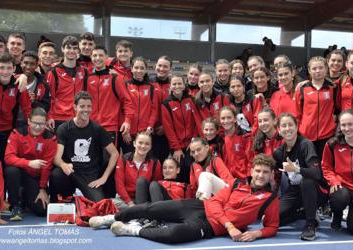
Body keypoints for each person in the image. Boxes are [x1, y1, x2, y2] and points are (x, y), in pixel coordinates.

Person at [89, 154, 280, 244]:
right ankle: (112, 218)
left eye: (265, 172)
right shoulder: (238, 183)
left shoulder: (270, 199)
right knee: (153, 208)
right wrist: (229, 225)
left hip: (210, 227)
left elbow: (272, 227)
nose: (261, 175)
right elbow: (213, 202)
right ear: (252, 171)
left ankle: (132, 230)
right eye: (258, 171)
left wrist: (257, 234)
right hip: (198, 207)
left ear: (271, 174)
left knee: (174, 235)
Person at [50, 91, 119, 202]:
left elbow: (115, 153)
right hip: (71, 172)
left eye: (89, 106)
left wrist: (104, 178)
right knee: (56, 174)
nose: (86, 110)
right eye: (82, 106)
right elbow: (56, 157)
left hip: (89, 174)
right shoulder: (64, 128)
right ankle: (66, 196)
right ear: (75, 107)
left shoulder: (97, 129)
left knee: (99, 205)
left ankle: (99, 196)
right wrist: (63, 165)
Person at [273, 113, 325, 241]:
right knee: (271, 220)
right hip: (295, 191)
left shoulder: (306, 145)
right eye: (283, 126)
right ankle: (301, 213)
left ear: (297, 127)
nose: (287, 128)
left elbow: (317, 173)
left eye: (290, 125)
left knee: (306, 181)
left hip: (316, 191)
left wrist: (297, 169)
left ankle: (310, 224)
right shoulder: (279, 152)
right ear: (279, 130)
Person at [4, 108, 57, 221]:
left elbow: (47, 166)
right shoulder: (17, 133)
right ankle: (15, 205)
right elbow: (8, 158)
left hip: (35, 177)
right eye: (35, 123)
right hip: (19, 173)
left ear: (46, 123)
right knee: (11, 170)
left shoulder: (50, 138)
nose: (38, 127)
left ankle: (25, 196)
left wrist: (42, 189)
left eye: (41, 124)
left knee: (42, 210)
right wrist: (29, 163)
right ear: (29, 121)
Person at [296, 56, 337, 159]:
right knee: (308, 167)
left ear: (326, 69)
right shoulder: (302, 89)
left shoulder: (333, 88)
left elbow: (337, 109)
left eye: (321, 68)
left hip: (327, 135)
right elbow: (297, 113)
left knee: (324, 167)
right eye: (314, 68)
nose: (317, 71)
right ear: (309, 70)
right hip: (306, 135)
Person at [46, 36, 87, 130]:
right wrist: (50, 116)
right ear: (62, 49)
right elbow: (49, 98)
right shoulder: (54, 72)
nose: (72, 51)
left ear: (78, 51)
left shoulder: (84, 71)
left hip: (78, 118)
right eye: (68, 48)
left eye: (75, 48)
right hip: (58, 119)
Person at [161, 75, 197, 181]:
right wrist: (176, 148)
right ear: (170, 86)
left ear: (184, 85)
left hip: (192, 144)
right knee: (180, 169)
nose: (177, 86)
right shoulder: (166, 104)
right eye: (174, 84)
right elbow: (168, 128)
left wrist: (194, 141)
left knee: (192, 168)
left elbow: (196, 122)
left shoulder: (191, 100)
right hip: (177, 146)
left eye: (179, 83)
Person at [122, 57, 159, 154]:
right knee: (129, 161)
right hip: (129, 134)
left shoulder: (151, 87)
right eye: (136, 67)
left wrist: (149, 127)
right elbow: (122, 109)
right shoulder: (125, 85)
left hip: (145, 133)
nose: (139, 71)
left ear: (146, 69)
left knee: (145, 162)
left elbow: (154, 110)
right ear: (131, 68)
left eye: (142, 68)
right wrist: (125, 131)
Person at [114, 132, 162, 207]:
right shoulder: (123, 159)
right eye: (140, 142)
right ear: (134, 144)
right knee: (110, 203)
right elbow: (119, 185)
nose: (143, 146)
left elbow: (155, 186)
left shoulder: (155, 162)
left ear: (150, 147)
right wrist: (129, 202)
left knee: (142, 181)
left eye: (147, 144)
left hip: (145, 200)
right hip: (126, 200)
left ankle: (142, 212)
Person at [14, 51, 51, 129]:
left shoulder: (43, 84)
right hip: (12, 123)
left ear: (37, 65)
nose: (28, 66)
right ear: (21, 63)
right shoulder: (13, 80)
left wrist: (34, 101)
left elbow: (46, 107)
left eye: (32, 64)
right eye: (26, 63)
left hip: (33, 125)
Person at [220, 106, 253, 181]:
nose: (226, 121)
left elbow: (250, 160)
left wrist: (249, 177)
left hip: (244, 179)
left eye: (229, 118)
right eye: (223, 118)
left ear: (235, 119)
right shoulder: (220, 139)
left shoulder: (245, 136)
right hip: (228, 179)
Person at [150, 56, 172, 163]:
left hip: (167, 132)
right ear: (155, 67)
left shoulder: (174, 86)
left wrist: (165, 127)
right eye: (159, 65)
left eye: (165, 66)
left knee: (163, 163)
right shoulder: (148, 84)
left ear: (170, 69)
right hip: (150, 131)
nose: (162, 69)